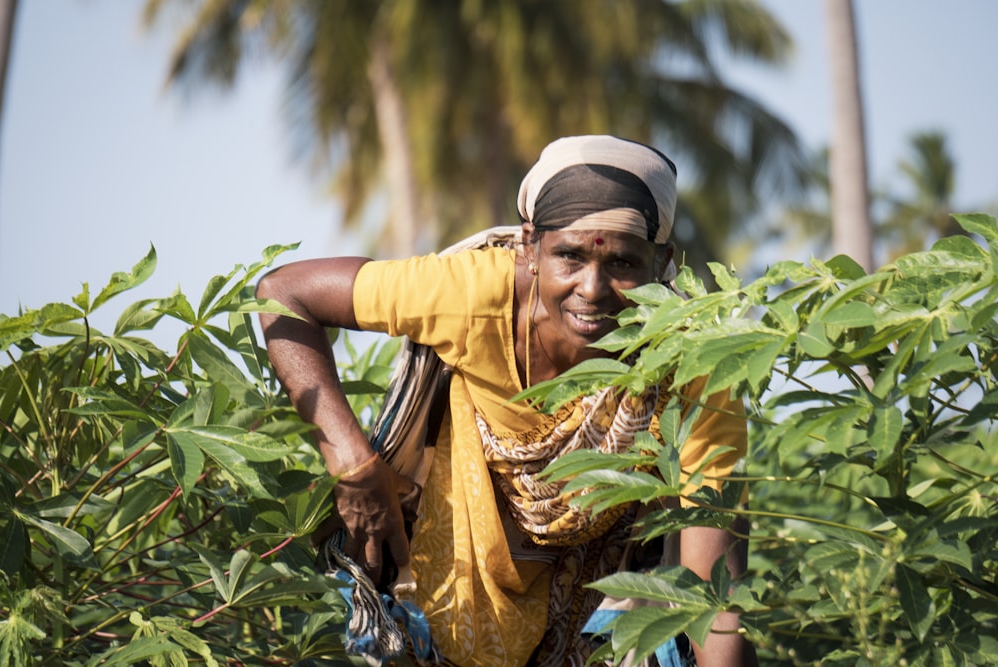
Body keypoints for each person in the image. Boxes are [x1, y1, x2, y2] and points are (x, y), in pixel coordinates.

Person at [257, 135, 757, 667]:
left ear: (663, 265)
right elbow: (281, 294)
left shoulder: (693, 365)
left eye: (624, 264)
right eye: (569, 255)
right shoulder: (472, 294)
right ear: (528, 247)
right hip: (448, 558)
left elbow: (714, 590)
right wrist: (354, 465)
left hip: (595, 581)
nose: (593, 288)